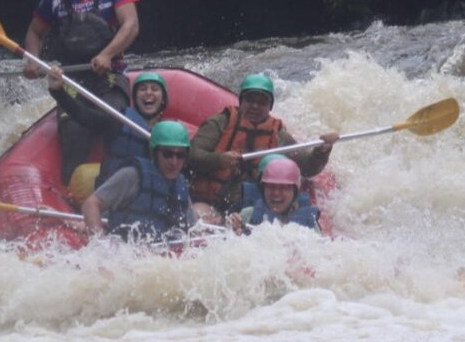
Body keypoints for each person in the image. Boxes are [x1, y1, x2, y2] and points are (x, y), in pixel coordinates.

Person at [24, 0, 140, 184]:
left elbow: (131, 25)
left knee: (111, 120)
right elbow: (35, 32)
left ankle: (118, 186)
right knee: (74, 133)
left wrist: (108, 54)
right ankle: (72, 196)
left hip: (110, 75)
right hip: (72, 81)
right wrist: (32, 59)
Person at [187, 73, 339, 221]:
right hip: (213, 202)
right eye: (250, 100)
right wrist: (218, 160)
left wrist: (321, 151)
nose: (255, 106)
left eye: (262, 102)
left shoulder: (279, 136)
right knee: (199, 215)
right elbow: (192, 154)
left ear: (270, 106)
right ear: (241, 101)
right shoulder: (220, 123)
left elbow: (306, 168)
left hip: (254, 208)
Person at [46, 69, 169, 198]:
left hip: (150, 198)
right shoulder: (118, 120)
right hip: (113, 200)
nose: (148, 93)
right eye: (143, 89)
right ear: (135, 98)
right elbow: (84, 115)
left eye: (154, 89)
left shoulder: (172, 133)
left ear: (163, 99)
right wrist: (58, 92)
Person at [81, 120, 197, 242]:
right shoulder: (132, 175)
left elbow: (192, 231)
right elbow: (90, 204)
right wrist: (100, 242)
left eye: (180, 155)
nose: (174, 162)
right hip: (124, 251)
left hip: (160, 255)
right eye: (167, 154)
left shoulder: (181, 186)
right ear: (155, 152)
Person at [231, 158, 322, 233]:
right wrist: (233, 230)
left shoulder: (310, 222)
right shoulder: (248, 214)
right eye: (271, 187)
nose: (276, 193)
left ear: (294, 191)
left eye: (283, 188)